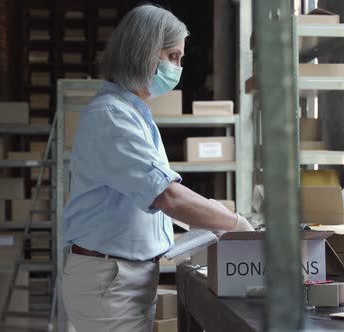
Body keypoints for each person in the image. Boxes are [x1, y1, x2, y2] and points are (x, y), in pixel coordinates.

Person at [62, 4, 254, 331]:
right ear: (146, 53)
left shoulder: (135, 113)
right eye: (173, 57)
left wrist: (214, 217)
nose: (178, 67)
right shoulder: (111, 116)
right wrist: (235, 224)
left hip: (125, 276)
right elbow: (168, 196)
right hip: (109, 279)